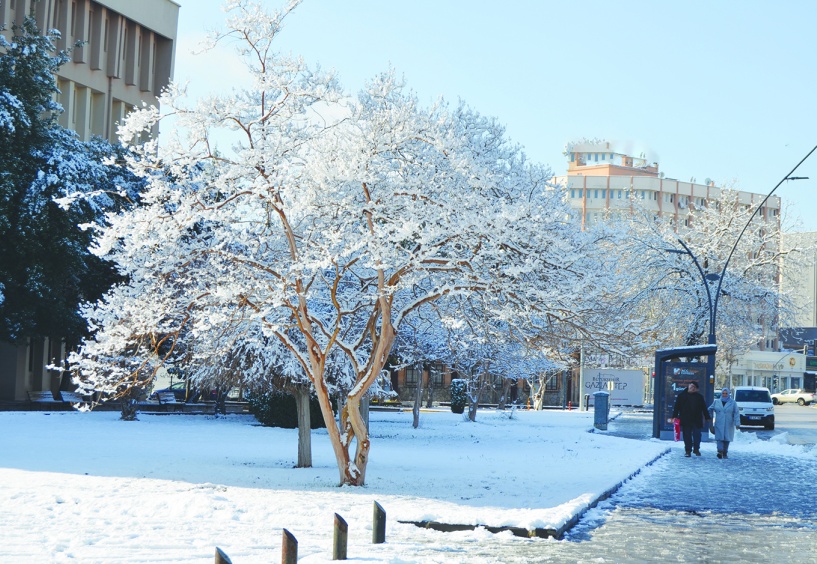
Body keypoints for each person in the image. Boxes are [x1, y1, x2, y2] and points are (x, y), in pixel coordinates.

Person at [672, 381, 711, 457]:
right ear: (688, 386)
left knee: (697, 435)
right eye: (691, 386)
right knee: (687, 436)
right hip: (686, 419)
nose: (692, 388)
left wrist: (707, 417)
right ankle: (688, 451)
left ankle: (696, 449)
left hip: (696, 419)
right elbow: (676, 407)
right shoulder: (681, 396)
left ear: (696, 389)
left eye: (694, 387)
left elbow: (704, 408)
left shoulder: (699, 397)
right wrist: (674, 416)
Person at [709, 387, 740, 459]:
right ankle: (719, 451)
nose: (724, 395)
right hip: (719, 422)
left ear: (728, 394)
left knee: (727, 438)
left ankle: (725, 452)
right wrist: (709, 417)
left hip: (729, 423)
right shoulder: (717, 402)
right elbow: (710, 409)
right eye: (723, 393)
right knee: (719, 438)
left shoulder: (733, 402)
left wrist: (737, 423)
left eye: (726, 393)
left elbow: (736, 413)